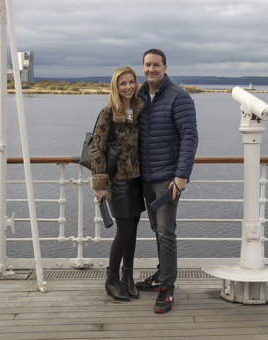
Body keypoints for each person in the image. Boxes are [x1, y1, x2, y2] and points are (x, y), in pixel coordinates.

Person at [136, 49, 198, 313]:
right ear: (143, 67)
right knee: (156, 229)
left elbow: (190, 138)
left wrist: (182, 176)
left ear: (165, 67)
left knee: (166, 232)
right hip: (146, 178)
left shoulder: (179, 97)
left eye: (156, 65)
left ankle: (167, 288)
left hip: (168, 179)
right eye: (148, 65)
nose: (152, 69)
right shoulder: (138, 95)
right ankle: (161, 274)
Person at [90, 66, 146, 301]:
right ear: (116, 85)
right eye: (123, 83)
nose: (128, 87)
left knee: (133, 232)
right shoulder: (107, 112)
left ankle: (128, 277)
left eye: (131, 82)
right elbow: (97, 149)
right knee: (123, 232)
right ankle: (111, 280)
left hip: (137, 179)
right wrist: (100, 184)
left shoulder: (141, 108)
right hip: (118, 181)